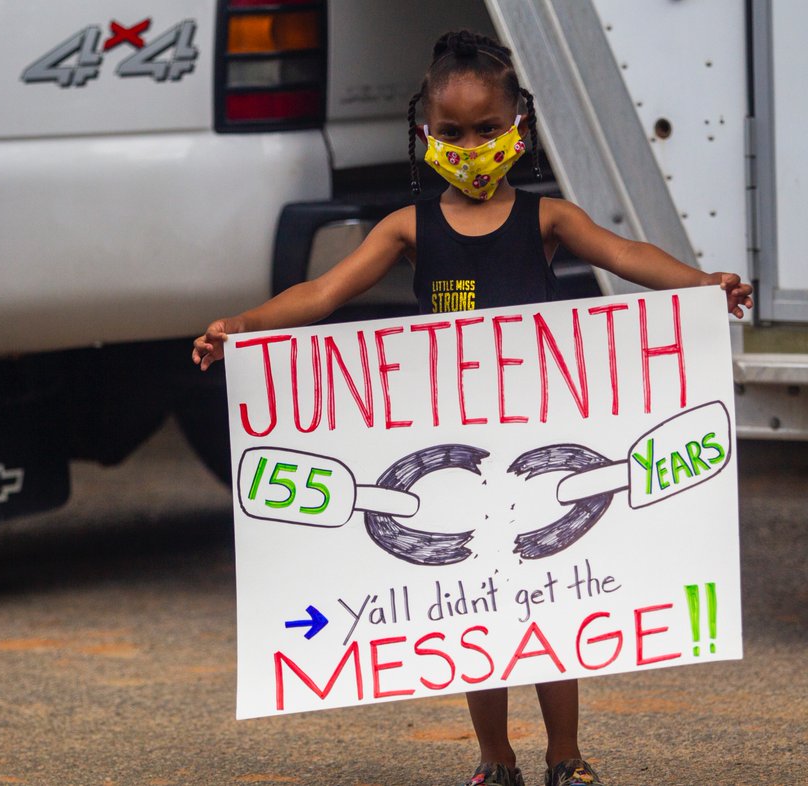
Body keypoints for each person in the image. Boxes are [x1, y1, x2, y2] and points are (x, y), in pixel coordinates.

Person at [194, 29, 752, 786]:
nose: (471, 146)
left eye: (487, 129)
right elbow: (322, 295)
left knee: (553, 611)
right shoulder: (408, 229)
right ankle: (496, 760)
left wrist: (702, 283)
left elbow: (628, 255)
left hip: (542, 446)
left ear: (518, 128)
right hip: (447, 463)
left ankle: (567, 756)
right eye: (451, 132)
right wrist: (243, 327)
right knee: (468, 619)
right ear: (424, 135)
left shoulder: (547, 220)